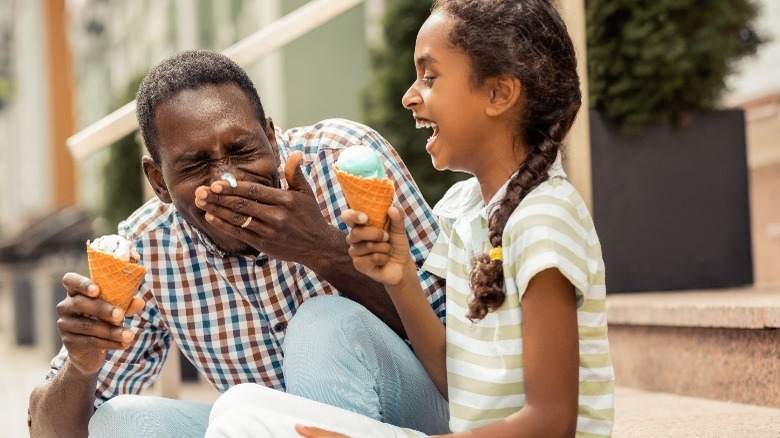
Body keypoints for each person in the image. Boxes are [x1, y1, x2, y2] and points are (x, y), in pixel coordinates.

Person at [204, 0, 615, 437]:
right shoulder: (464, 210)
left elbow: (552, 423)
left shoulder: (545, 219)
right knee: (238, 405)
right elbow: (454, 379)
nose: (410, 95)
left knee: (246, 423)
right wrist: (399, 279)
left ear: (498, 94)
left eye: (430, 77)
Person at [28, 49, 449, 437]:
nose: (225, 180)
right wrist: (80, 369)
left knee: (322, 324)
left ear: (270, 134)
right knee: (122, 425)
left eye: (242, 150)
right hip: (260, 425)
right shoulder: (148, 248)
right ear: (158, 181)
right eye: (194, 165)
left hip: (414, 415)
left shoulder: (345, 160)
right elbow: (47, 430)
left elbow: (461, 340)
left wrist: (322, 250)